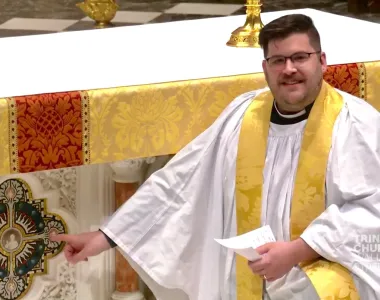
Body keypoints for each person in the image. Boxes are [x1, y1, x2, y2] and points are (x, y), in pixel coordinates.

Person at [51, 14, 380, 300]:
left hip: (328, 267)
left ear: (322, 61)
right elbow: (179, 182)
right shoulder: (243, 115)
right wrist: (106, 237)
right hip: (251, 272)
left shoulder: (355, 124)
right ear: (265, 68)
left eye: (300, 57)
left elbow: (371, 212)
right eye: (278, 60)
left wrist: (296, 251)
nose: (289, 69)